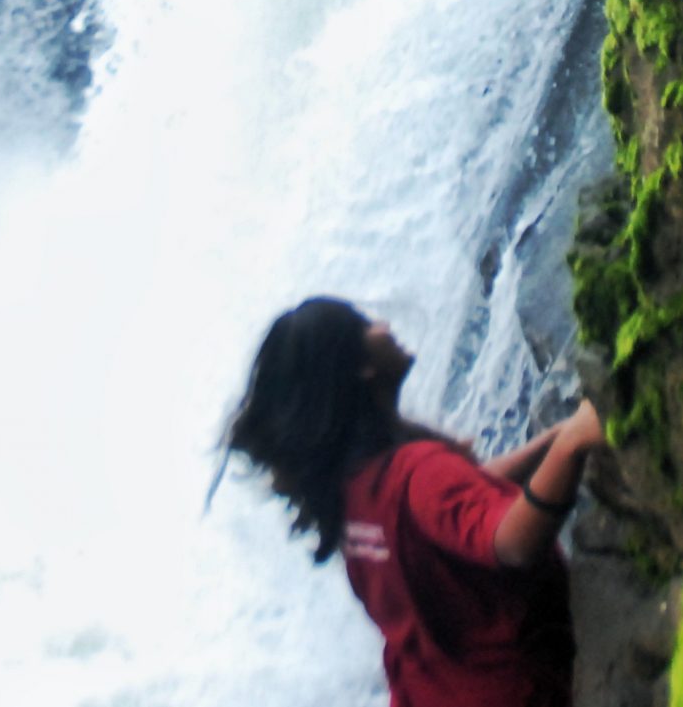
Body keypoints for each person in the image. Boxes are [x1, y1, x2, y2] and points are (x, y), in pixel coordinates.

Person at [222, 297, 605, 707]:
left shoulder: (354, 489)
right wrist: (571, 445)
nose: (385, 326)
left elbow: (448, 507)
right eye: (366, 325)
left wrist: (549, 441)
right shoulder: (419, 474)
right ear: (360, 368)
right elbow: (511, 543)